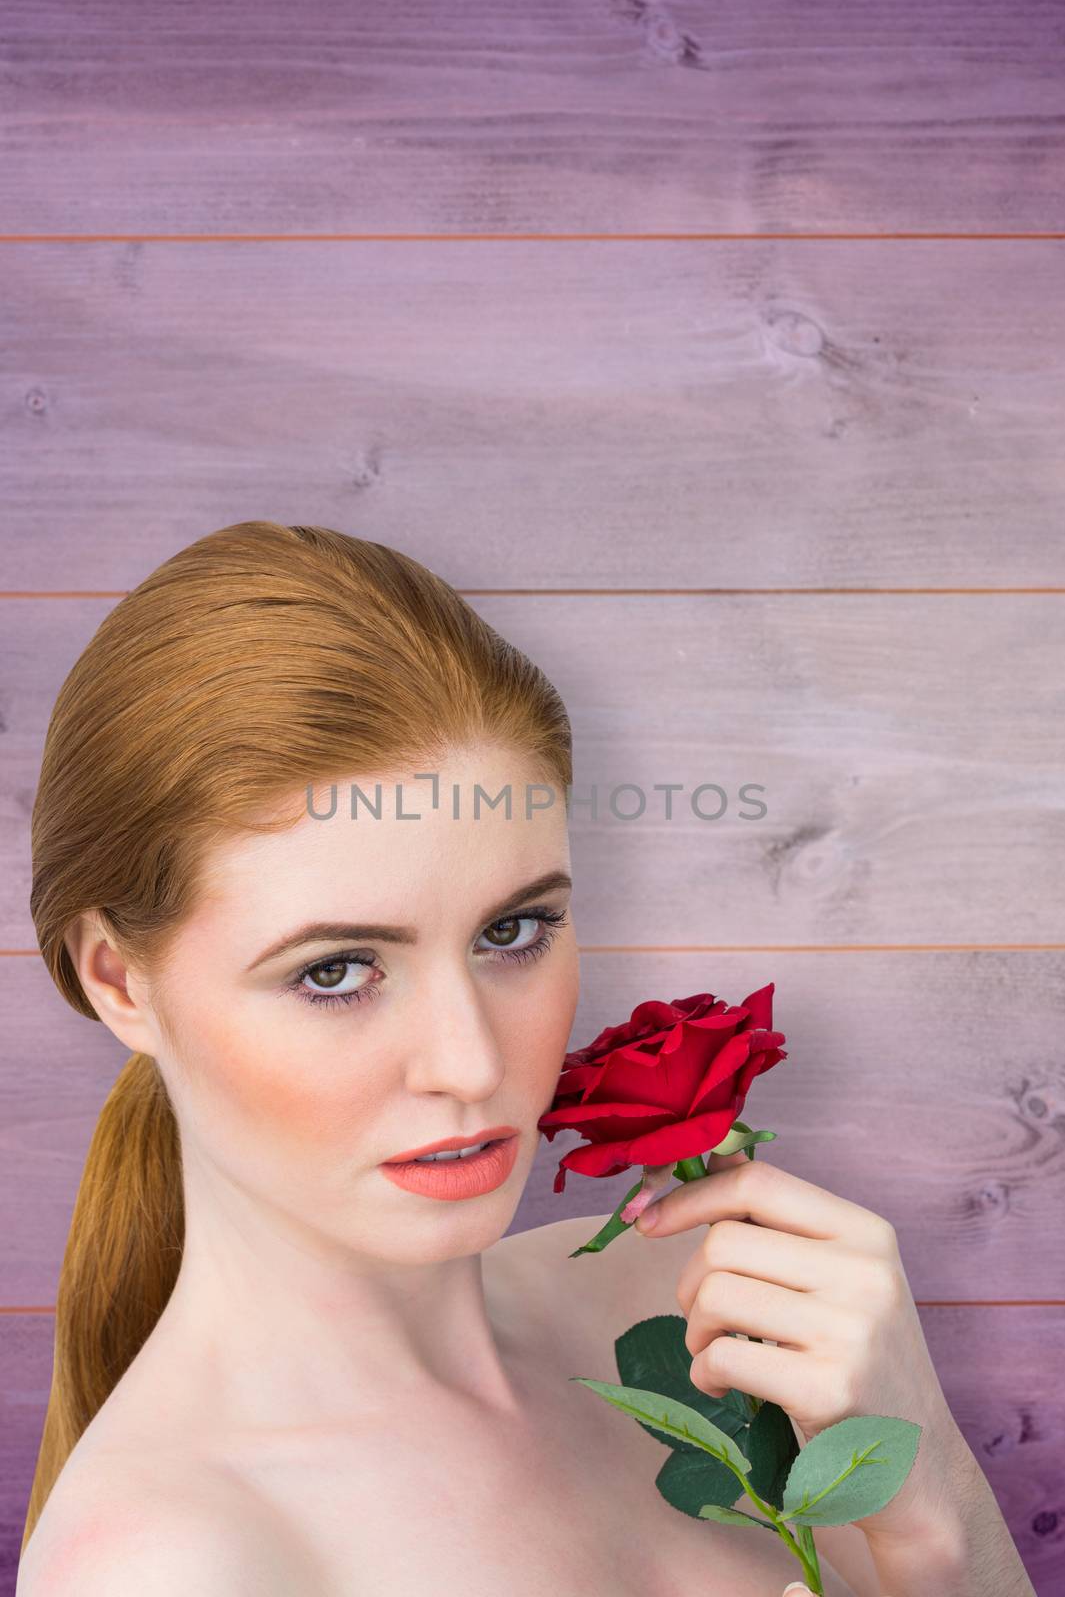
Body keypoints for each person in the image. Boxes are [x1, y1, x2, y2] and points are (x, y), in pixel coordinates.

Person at [15, 522, 1031, 1597]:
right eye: (335, 971)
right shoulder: (175, 1566)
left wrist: (933, 1504)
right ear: (119, 981)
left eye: (511, 933)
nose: (468, 1062)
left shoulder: (687, 1308)